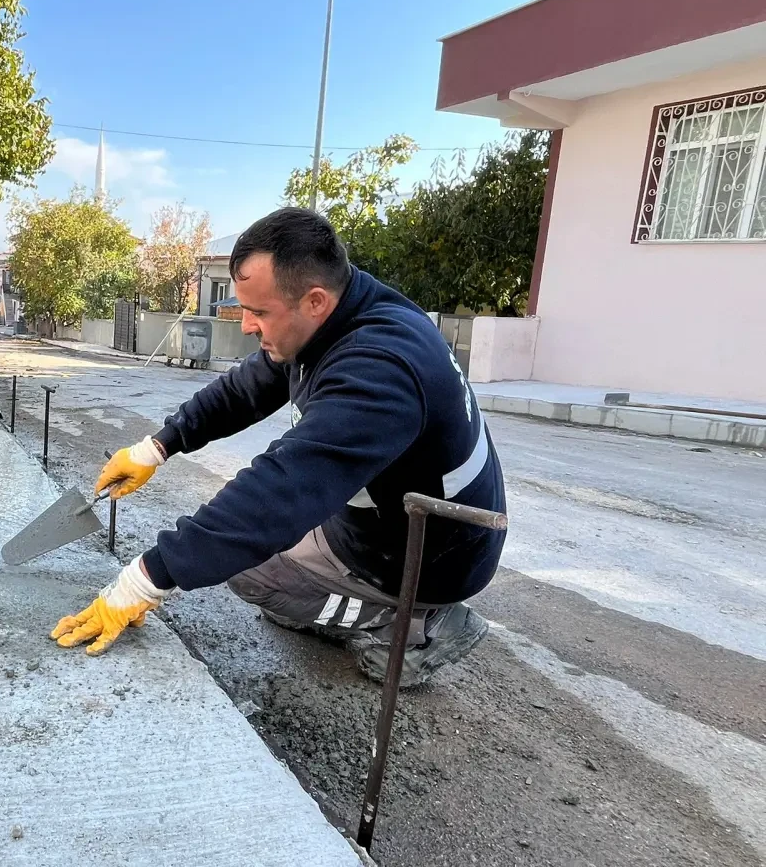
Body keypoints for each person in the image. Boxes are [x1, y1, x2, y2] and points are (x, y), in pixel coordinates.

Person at [50, 207, 506, 686]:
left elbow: (279, 493)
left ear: (314, 301)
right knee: (249, 557)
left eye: (258, 312)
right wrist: (157, 447)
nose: (246, 325)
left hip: (429, 556)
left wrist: (145, 579)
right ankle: (334, 602)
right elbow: (245, 388)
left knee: (253, 575)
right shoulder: (335, 312)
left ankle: (419, 623)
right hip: (375, 522)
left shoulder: (382, 367)